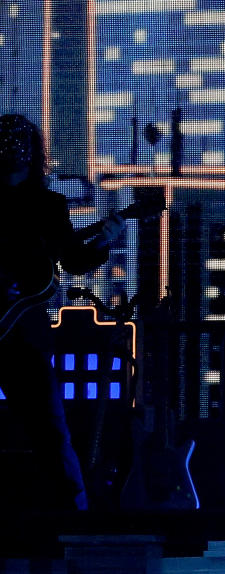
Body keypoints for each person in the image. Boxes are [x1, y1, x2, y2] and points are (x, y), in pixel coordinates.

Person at [0, 113, 124, 510]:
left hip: (26, 340)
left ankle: (74, 521)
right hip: (23, 336)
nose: (13, 150)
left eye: (19, 143)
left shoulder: (49, 205)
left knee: (51, 434)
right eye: (7, 142)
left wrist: (103, 242)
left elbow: (71, 261)